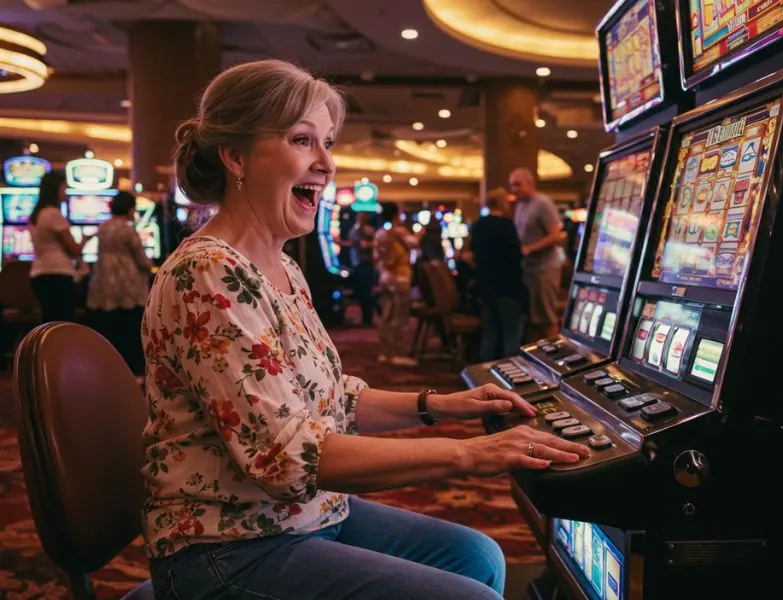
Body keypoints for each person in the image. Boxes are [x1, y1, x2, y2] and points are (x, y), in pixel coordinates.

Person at [141, 59, 589, 600]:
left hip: (301, 515)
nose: (327, 163)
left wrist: (440, 405)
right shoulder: (208, 273)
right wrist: (471, 455)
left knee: (477, 555)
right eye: (303, 140)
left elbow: (330, 399)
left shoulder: (282, 268)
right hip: (225, 545)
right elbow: (285, 456)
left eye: (327, 142)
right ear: (235, 156)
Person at [86, 191, 152, 375]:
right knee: (129, 330)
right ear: (130, 209)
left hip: (103, 280)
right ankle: (130, 370)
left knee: (110, 329)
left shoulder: (103, 227)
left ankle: (108, 368)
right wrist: (152, 266)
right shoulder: (127, 229)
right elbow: (142, 260)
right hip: (126, 283)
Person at [28, 170, 92, 323]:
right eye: (64, 187)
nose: (66, 192)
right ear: (55, 188)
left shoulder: (37, 214)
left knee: (49, 323)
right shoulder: (53, 214)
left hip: (39, 274)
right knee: (63, 324)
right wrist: (85, 239)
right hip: (58, 274)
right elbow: (74, 249)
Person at [471, 187, 526, 361]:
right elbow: (516, 256)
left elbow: (473, 254)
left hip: (484, 287)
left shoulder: (478, 225)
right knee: (511, 335)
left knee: (489, 334)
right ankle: (510, 380)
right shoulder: (506, 225)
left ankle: (484, 378)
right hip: (507, 288)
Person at [509, 167, 564, 340]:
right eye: (512, 185)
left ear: (530, 183)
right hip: (528, 268)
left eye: (518, 184)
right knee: (533, 319)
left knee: (546, 317)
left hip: (544, 268)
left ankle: (553, 358)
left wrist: (530, 248)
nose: (514, 189)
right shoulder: (520, 206)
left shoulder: (543, 203)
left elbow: (556, 235)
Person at [373, 201, 419, 366]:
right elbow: (415, 244)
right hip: (399, 277)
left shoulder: (379, 233)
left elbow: (376, 258)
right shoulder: (399, 232)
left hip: (384, 277)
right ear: (395, 214)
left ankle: (385, 352)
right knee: (400, 316)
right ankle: (397, 353)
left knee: (386, 315)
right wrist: (420, 233)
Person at [347, 211, 377, 325]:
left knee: (366, 292)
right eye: (359, 217)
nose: (361, 219)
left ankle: (368, 318)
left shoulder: (368, 230)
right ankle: (366, 317)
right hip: (357, 263)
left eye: (363, 218)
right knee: (361, 292)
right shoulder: (355, 229)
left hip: (365, 264)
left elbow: (365, 244)